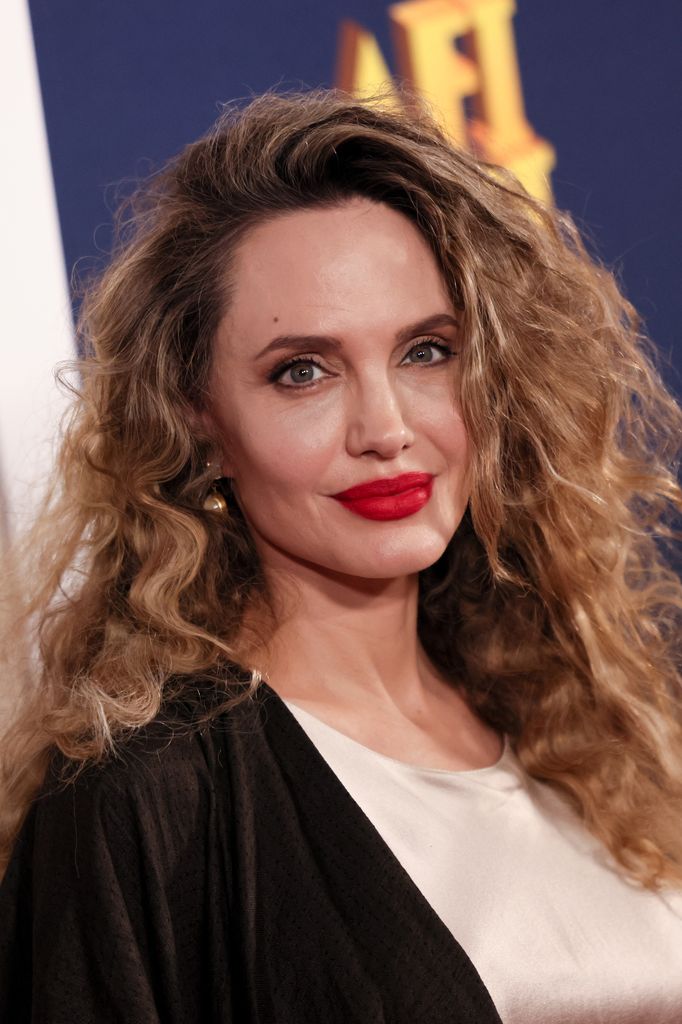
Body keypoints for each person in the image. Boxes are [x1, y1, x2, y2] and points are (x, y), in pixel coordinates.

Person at [0, 85, 681, 1023]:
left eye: (426, 352)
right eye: (302, 372)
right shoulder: (151, 796)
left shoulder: (576, 713)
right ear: (198, 425)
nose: (387, 428)